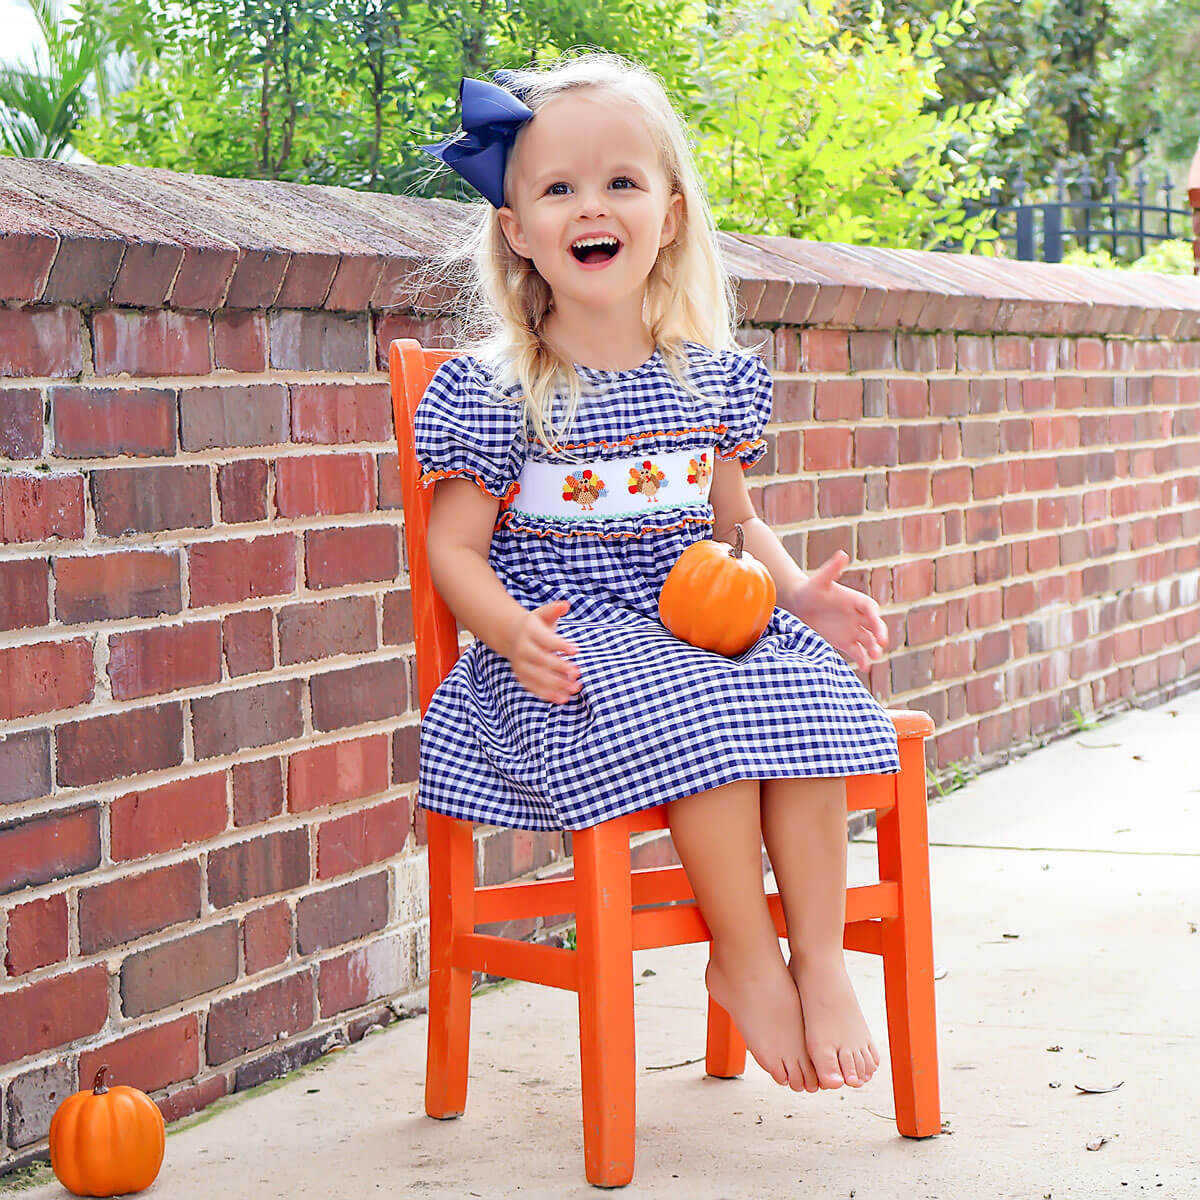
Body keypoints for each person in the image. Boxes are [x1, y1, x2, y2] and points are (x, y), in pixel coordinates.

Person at [412, 52, 901, 1095]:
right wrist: (507, 632)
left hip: (697, 616)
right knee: (698, 719)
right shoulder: (500, 390)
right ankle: (744, 957)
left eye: (621, 182)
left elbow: (737, 521)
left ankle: (816, 955)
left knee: (808, 693)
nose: (593, 206)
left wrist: (799, 592)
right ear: (517, 228)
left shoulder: (709, 377)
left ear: (670, 214)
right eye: (558, 187)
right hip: (567, 646)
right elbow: (450, 548)